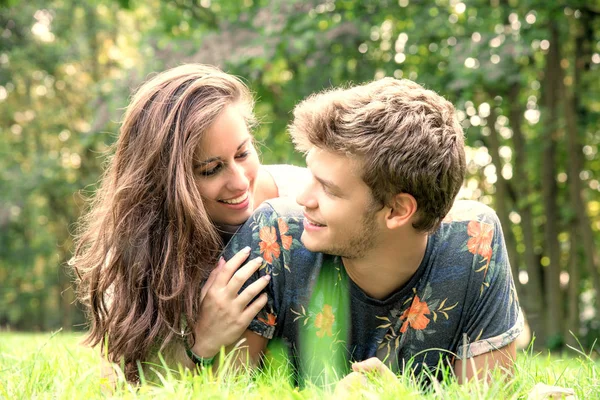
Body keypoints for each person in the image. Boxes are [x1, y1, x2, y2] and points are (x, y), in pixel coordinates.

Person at [214, 77, 524, 384]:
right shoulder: (274, 235)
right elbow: (225, 390)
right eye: (312, 175)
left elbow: (486, 392)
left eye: (329, 189)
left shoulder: (474, 243)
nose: (302, 198)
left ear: (397, 210)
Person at [71, 64, 309, 382]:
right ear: (164, 184)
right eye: (210, 169)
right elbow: (127, 380)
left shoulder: (304, 198)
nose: (239, 183)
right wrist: (203, 340)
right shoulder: (140, 250)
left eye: (243, 153)